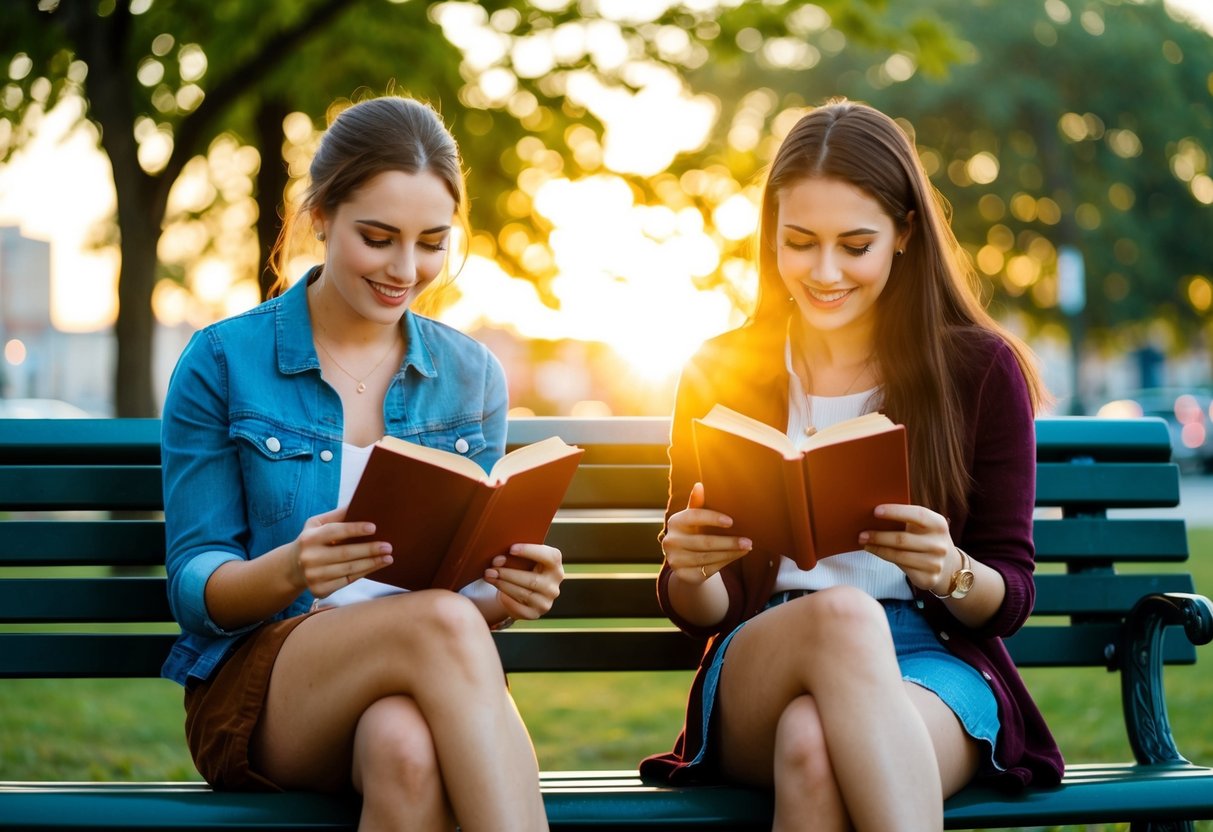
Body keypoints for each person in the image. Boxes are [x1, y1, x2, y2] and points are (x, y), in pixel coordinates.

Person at [639, 99, 1064, 831]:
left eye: (854, 244)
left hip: (932, 662)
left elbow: (1010, 591)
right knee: (838, 617)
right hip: (763, 657)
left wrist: (948, 568)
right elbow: (696, 611)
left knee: (813, 748)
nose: (825, 271)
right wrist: (692, 568)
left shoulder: (977, 369)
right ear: (770, 234)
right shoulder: (720, 368)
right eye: (799, 242)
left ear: (903, 232)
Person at [160, 95, 558, 832]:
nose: (405, 269)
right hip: (263, 685)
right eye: (377, 238)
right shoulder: (223, 360)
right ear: (319, 214)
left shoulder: (470, 375)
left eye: (432, 242)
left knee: (404, 752)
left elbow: (466, 594)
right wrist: (291, 568)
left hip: (421, 683)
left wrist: (508, 593)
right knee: (437, 623)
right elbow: (192, 585)